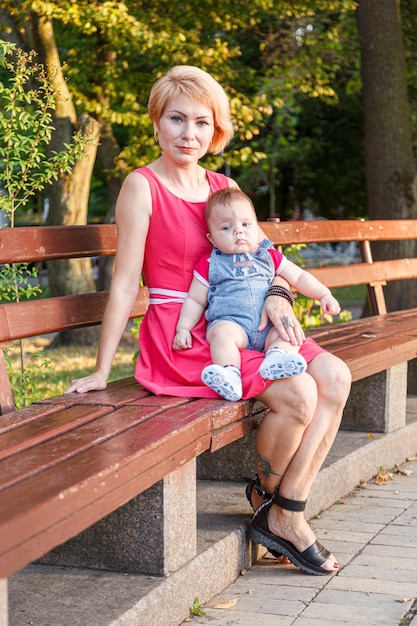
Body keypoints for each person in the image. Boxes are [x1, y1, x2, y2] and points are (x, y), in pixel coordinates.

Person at [65, 65, 351, 576]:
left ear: (214, 130)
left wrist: (280, 295)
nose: (188, 134)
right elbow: (127, 282)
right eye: (177, 119)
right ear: (157, 122)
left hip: (246, 315)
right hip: (184, 335)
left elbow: (264, 256)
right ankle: (283, 511)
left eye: (201, 123)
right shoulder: (142, 185)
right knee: (301, 394)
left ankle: (282, 508)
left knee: (335, 376)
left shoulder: (225, 185)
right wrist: (102, 369)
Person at [173, 187, 341, 401]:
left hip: (269, 326)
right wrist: (183, 328)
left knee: (288, 334)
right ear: (212, 238)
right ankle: (229, 375)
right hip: (233, 325)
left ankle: (277, 360)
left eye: (246, 224)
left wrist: (323, 294)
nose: (238, 232)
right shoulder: (209, 263)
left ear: (257, 227)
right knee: (221, 335)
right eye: (226, 227)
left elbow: (298, 277)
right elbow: (195, 300)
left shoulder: (268, 255)